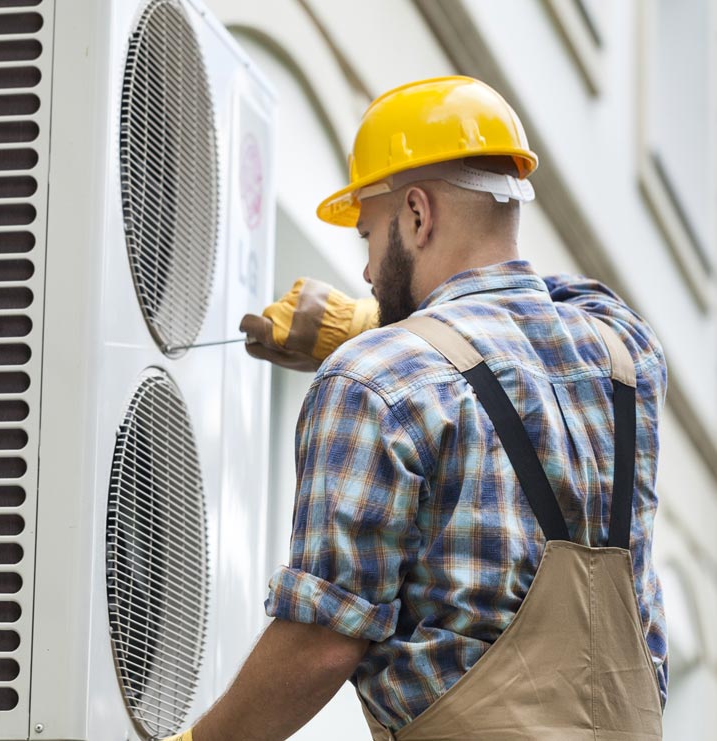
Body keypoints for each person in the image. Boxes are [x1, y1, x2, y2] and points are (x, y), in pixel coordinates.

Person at [167, 75, 667, 740]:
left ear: (418, 214)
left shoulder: (372, 381)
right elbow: (555, 302)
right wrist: (376, 320)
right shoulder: (626, 353)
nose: (369, 271)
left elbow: (322, 638)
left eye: (369, 236)